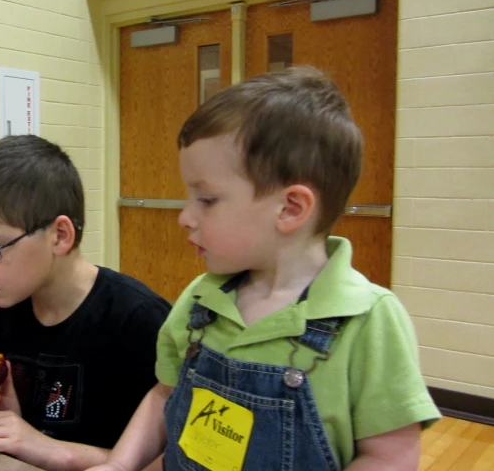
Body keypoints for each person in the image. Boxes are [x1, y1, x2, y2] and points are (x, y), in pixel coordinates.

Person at [88, 67, 441, 471]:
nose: (185, 217)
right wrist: (119, 465)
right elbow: (164, 395)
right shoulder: (201, 300)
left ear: (290, 209)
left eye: (206, 199)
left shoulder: (369, 321)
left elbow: (390, 456)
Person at [0, 135, 171, 471]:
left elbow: (171, 463)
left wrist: (50, 449)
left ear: (60, 236)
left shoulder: (138, 320)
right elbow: (23, 438)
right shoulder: (0, 306)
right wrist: (1, 416)